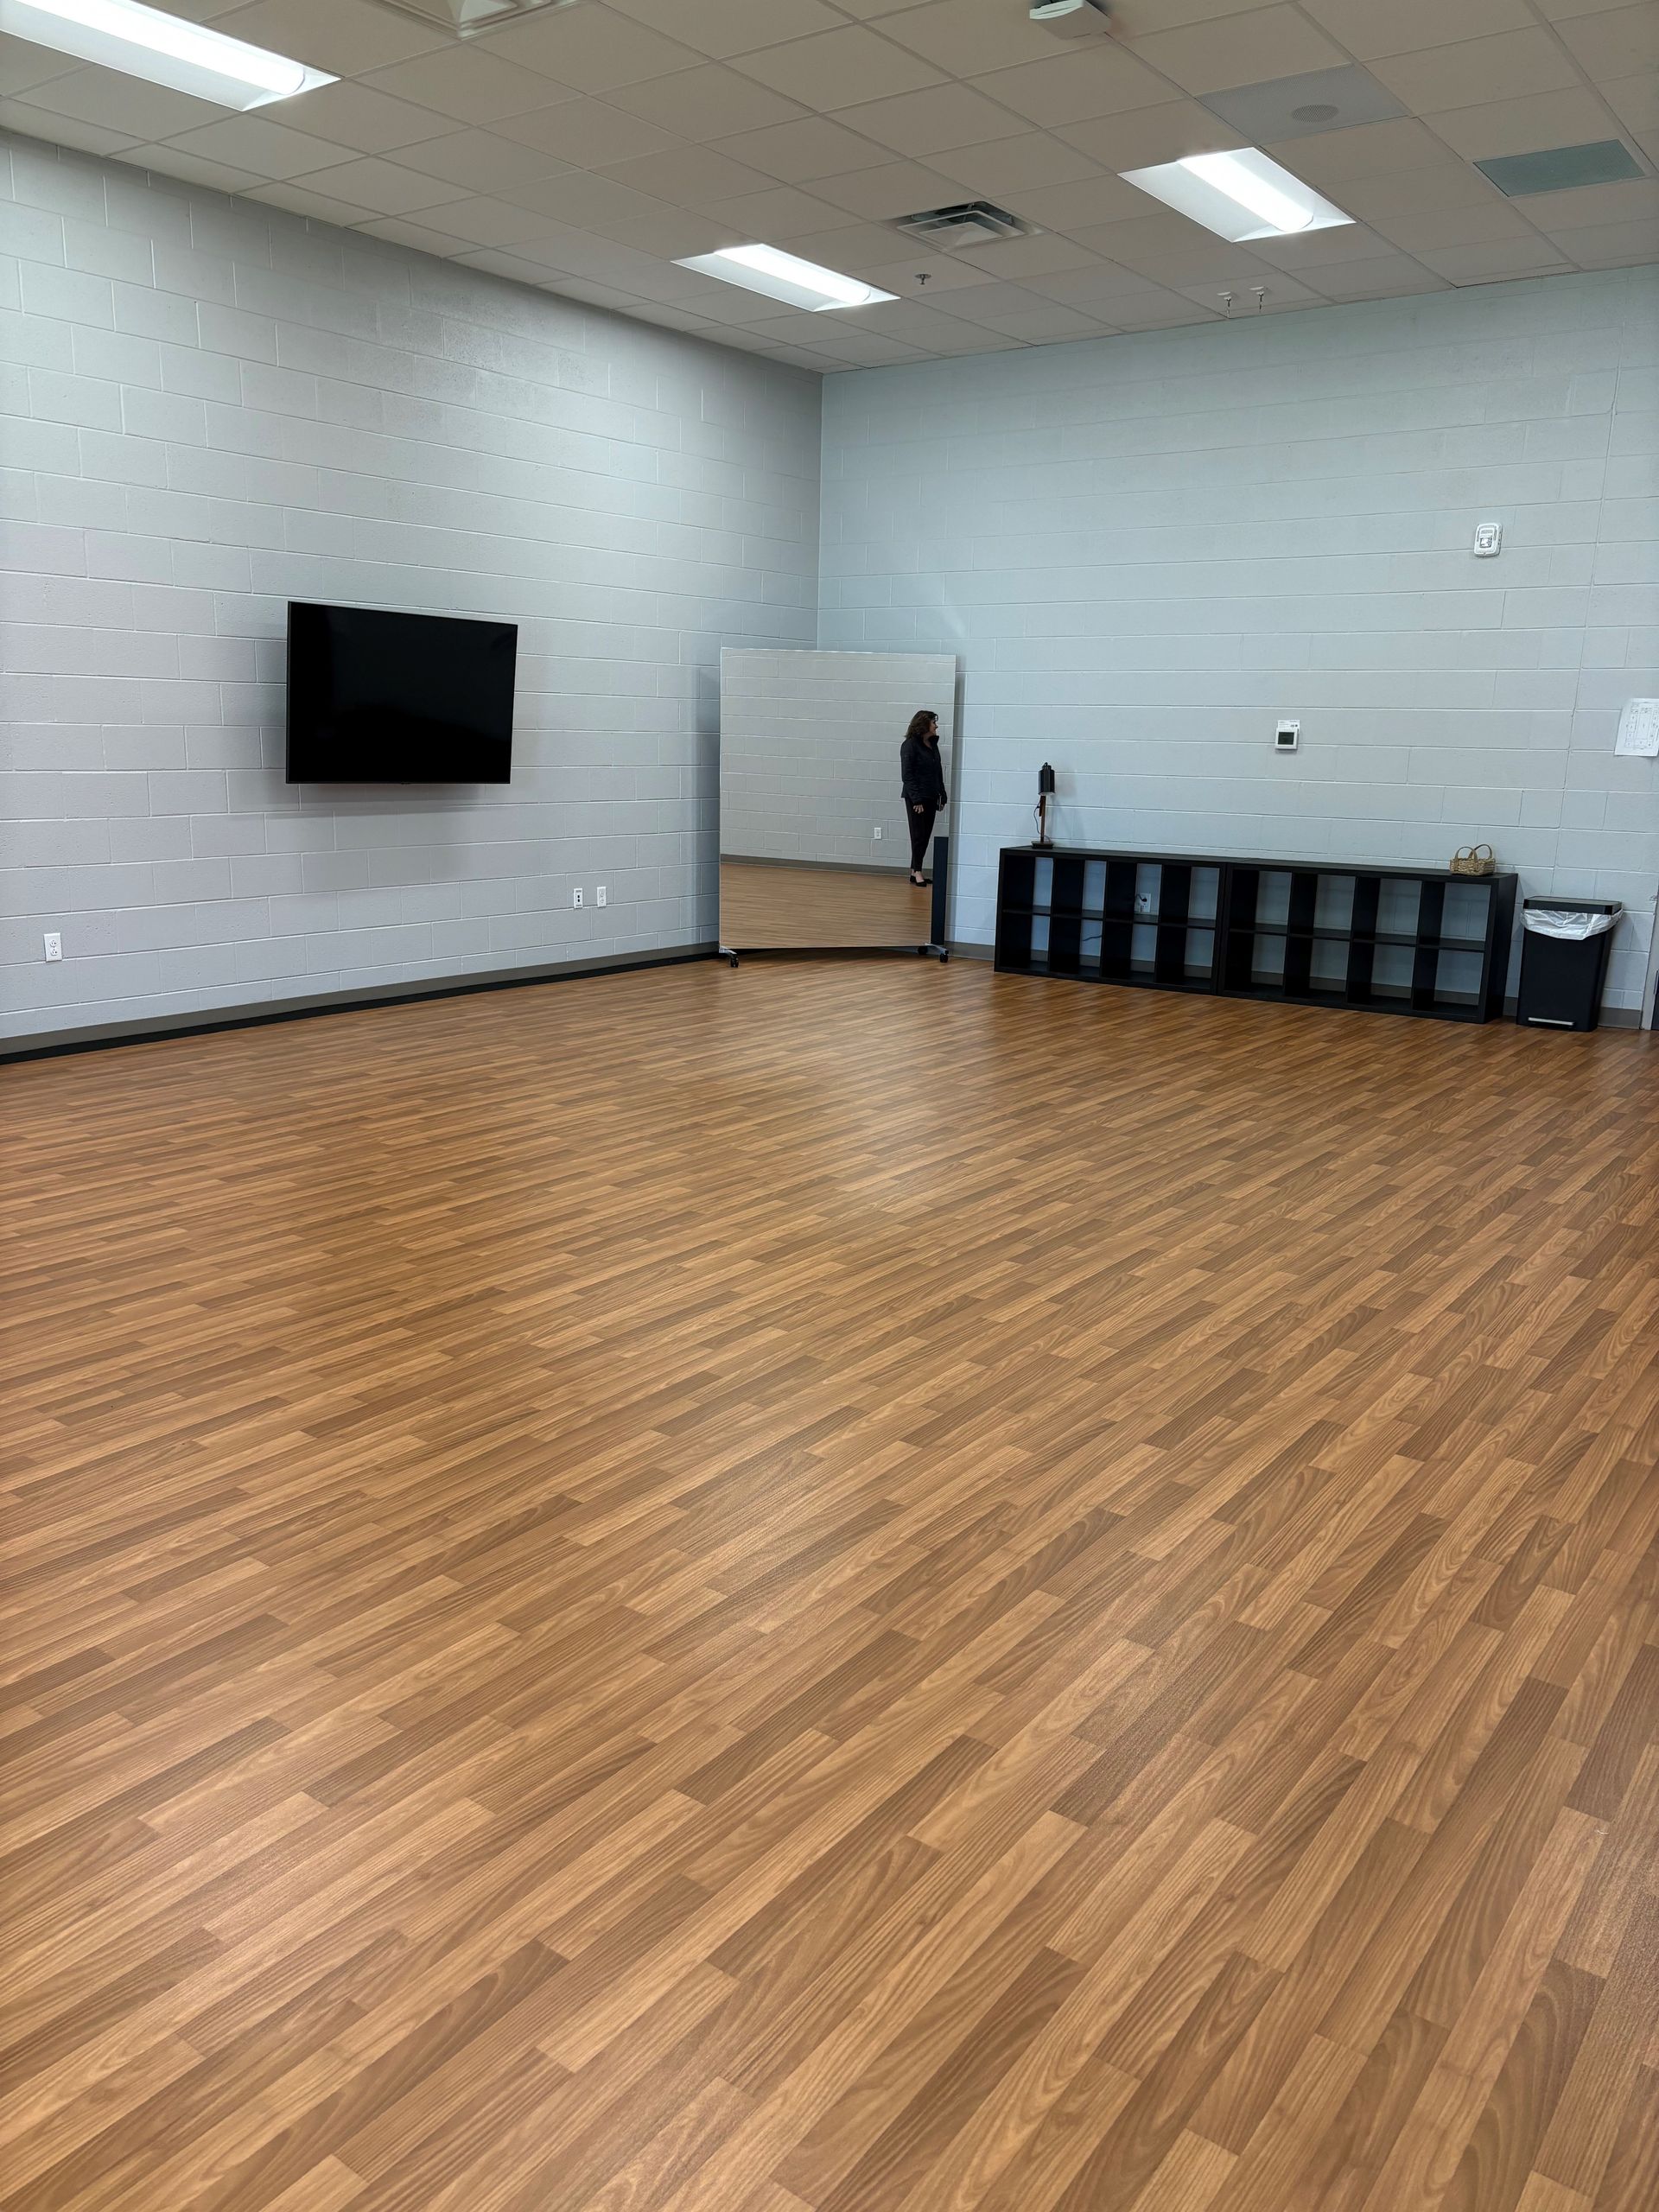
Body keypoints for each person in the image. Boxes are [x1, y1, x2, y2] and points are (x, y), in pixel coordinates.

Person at [899, 709, 948, 886]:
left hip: (931, 795)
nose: (936, 726)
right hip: (917, 798)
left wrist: (942, 793)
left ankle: (915, 871)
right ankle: (917, 871)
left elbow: (938, 772)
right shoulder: (910, 745)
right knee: (918, 835)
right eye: (933, 722)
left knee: (925, 835)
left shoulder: (932, 745)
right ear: (923, 724)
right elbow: (907, 775)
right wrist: (916, 799)